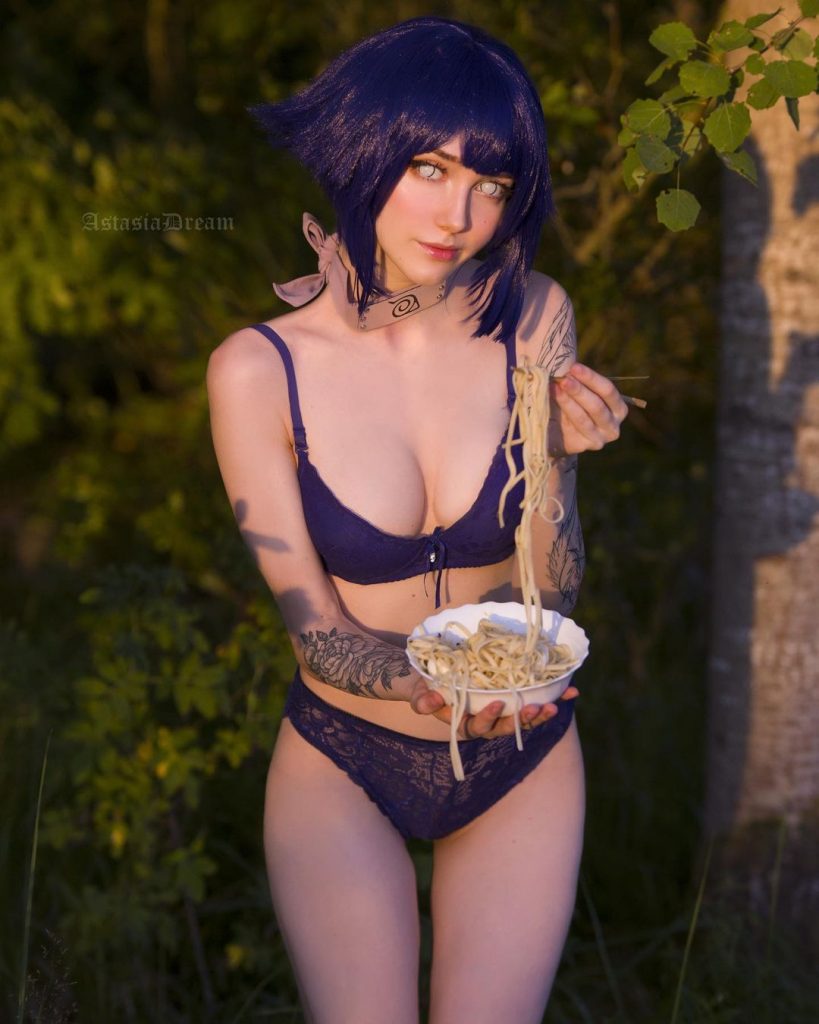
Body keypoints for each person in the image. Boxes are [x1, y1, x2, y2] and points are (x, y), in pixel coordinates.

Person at [207, 17, 627, 1024]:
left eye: (492, 184)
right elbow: (314, 629)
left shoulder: (534, 316)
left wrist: (559, 459)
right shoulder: (258, 370)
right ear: (363, 147)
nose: (460, 216)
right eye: (430, 169)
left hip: (520, 747)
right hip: (347, 751)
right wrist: (426, 686)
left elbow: (550, 590)